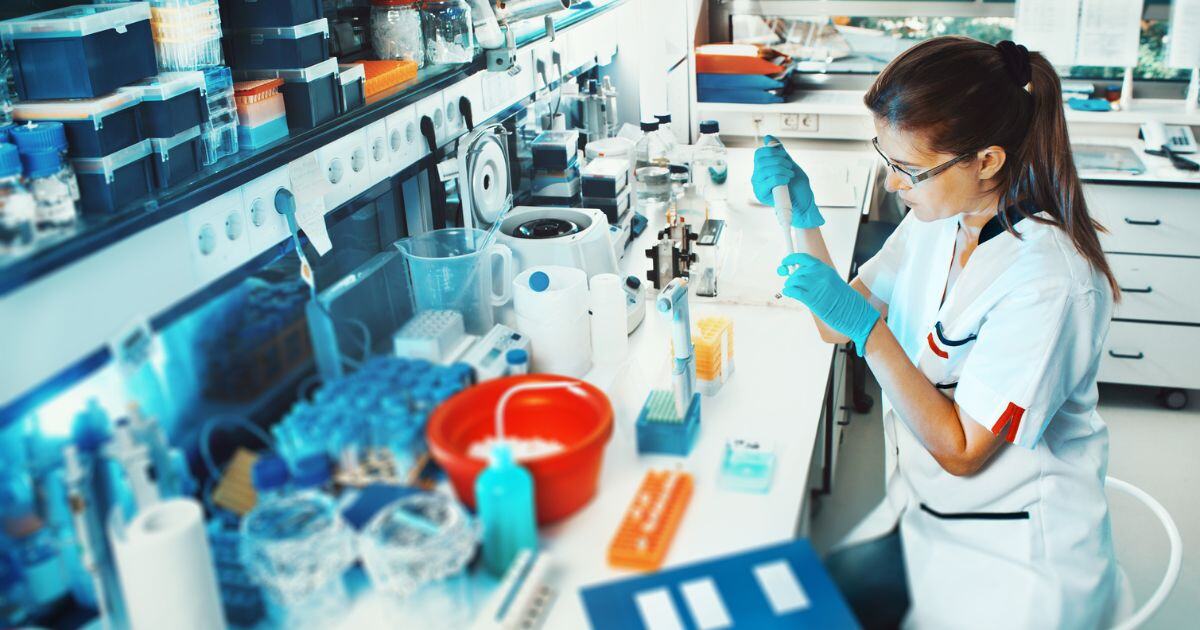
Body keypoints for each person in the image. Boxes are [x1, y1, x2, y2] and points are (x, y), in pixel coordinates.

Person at [752, 37, 1123, 629]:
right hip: (924, 517)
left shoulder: (1050, 283)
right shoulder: (940, 219)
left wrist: (871, 335)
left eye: (909, 168)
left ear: (987, 160)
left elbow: (962, 451)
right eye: (887, 157)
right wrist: (801, 218)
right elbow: (834, 324)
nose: (894, 183)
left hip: (1012, 563)